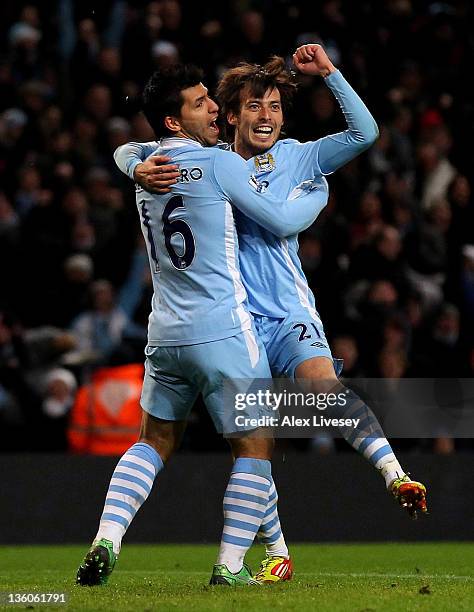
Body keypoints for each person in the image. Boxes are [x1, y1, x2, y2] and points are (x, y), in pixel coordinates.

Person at [118, 44, 428, 559]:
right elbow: (134, 146)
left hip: (287, 312)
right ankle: (277, 553)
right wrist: (133, 165)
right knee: (254, 446)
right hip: (235, 323)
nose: (268, 117)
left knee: (322, 392)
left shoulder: (297, 155)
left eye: (277, 107)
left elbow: (365, 134)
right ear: (232, 115)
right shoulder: (210, 162)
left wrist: (330, 72)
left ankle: (395, 474)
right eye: (256, 106)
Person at [76, 63, 329, 587]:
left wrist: (130, 165)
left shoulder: (149, 164)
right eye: (200, 103)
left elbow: (126, 151)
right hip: (225, 330)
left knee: (151, 442)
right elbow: (281, 223)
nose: (215, 107)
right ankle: (230, 567)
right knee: (255, 445)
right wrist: (316, 193)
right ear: (173, 121)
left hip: (164, 333)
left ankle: (107, 537)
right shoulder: (219, 164)